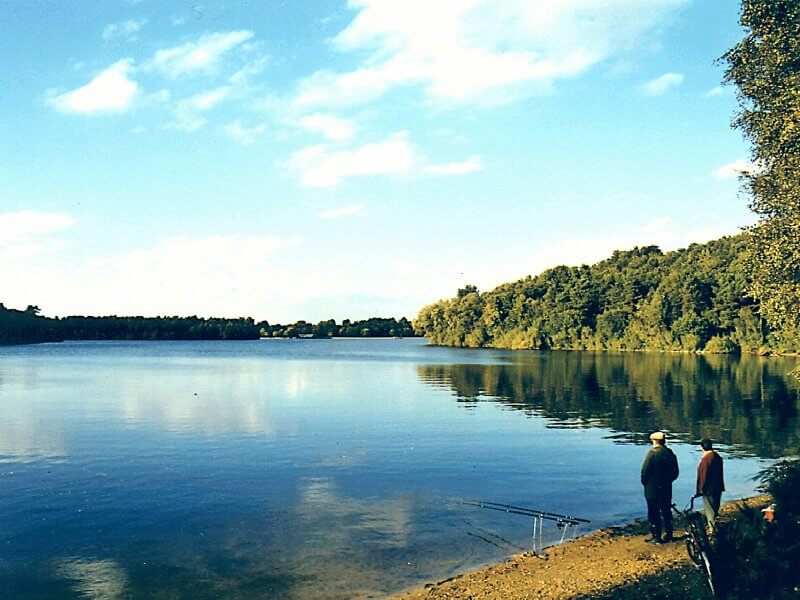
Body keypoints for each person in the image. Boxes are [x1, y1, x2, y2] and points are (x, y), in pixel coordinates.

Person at [641, 431, 679, 543]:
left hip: (652, 489)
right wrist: (668, 481)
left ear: (654, 441)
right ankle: (669, 534)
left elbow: (645, 472)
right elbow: (675, 472)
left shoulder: (652, 454)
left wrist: (645, 483)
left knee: (653, 512)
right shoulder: (670, 453)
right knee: (666, 511)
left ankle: (656, 536)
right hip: (666, 488)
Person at [696, 438, 725, 527]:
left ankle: (712, 529)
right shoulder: (717, 456)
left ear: (702, 447)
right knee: (715, 508)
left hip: (708, 489)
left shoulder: (706, 459)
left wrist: (700, 489)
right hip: (718, 487)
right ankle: (714, 527)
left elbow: (704, 475)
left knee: (710, 511)